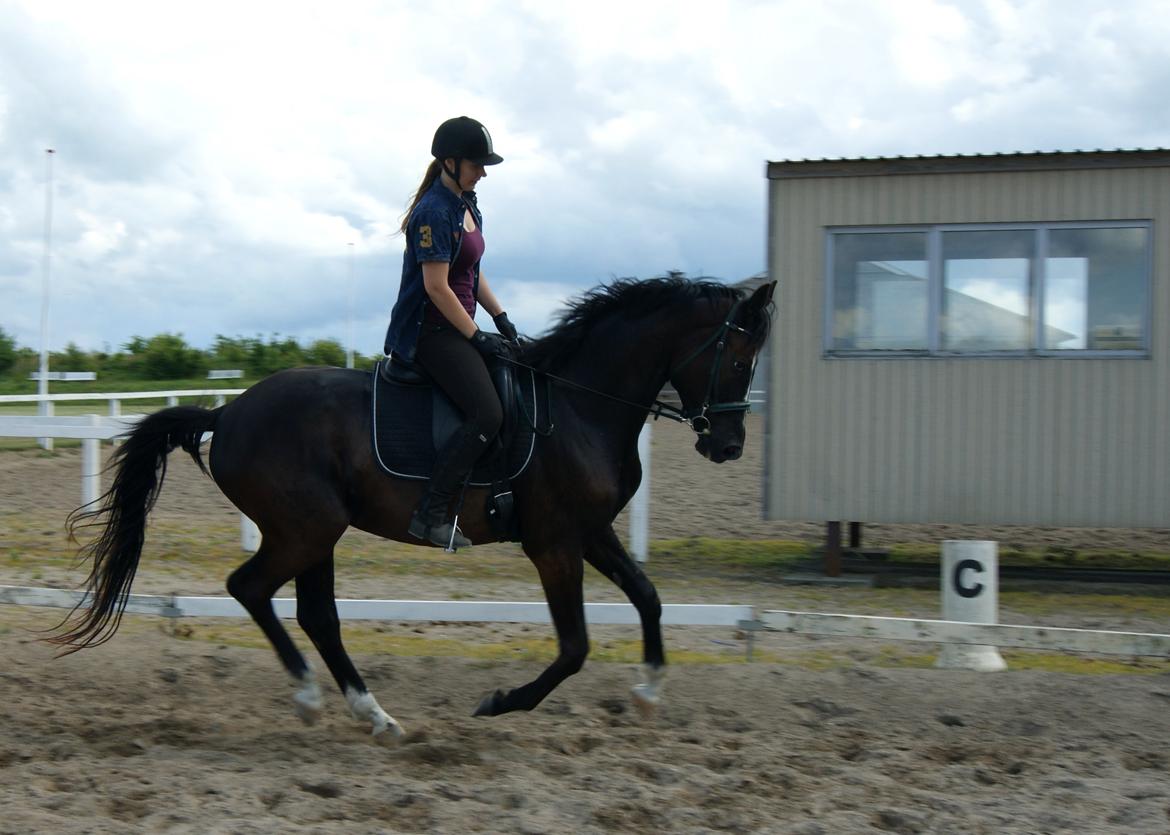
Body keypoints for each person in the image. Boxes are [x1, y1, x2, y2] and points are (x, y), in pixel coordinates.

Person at [384, 116, 520, 549]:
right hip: (432, 331)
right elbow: (436, 287)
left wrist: (499, 318)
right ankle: (432, 513)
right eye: (477, 164)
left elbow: (471, 272)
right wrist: (476, 336)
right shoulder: (433, 212)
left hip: (459, 325)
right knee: (487, 414)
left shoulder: (467, 204)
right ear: (450, 162)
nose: (483, 172)